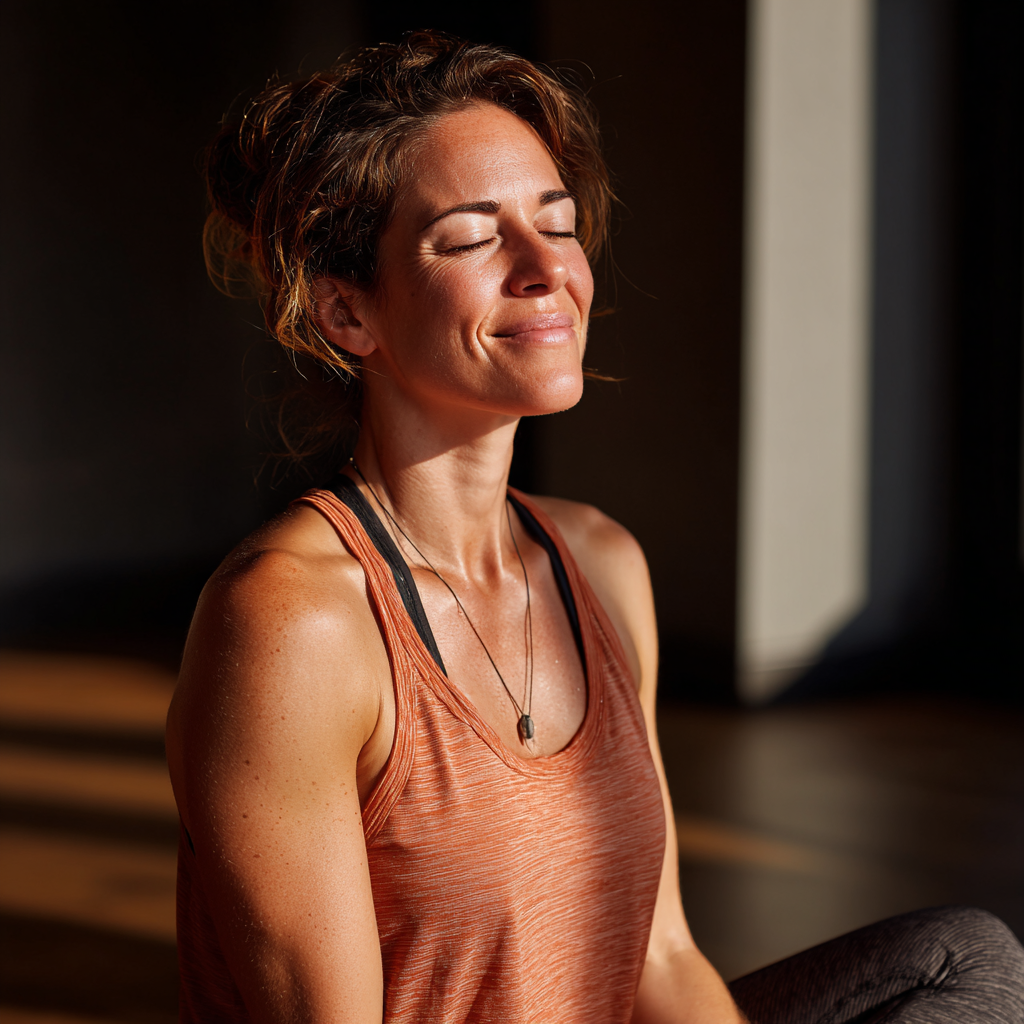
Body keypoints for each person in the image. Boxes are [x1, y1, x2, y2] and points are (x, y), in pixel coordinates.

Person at [166, 31, 1024, 1024]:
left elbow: (657, 959)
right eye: (473, 236)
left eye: (557, 222)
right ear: (345, 313)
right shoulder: (290, 623)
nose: (546, 270)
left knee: (962, 960)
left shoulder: (600, 564)